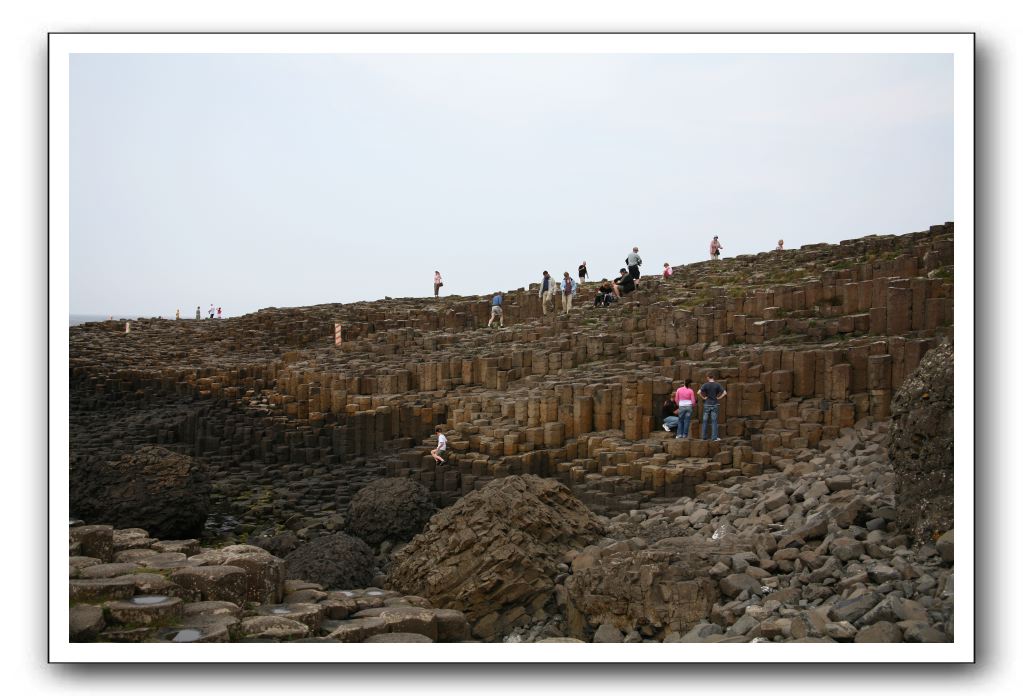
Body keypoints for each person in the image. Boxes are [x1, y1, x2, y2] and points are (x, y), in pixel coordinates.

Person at [699, 373, 728, 441]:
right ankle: (714, 437)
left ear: (708, 377)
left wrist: (704, 398)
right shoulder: (717, 384)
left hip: (707, 404)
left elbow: (698, 392)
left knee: (705, 421)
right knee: (714, 421)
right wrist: (719, 398)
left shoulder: (705, 385)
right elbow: (725, 392)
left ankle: (704, 437)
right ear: (713, 377)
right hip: (714, 404)